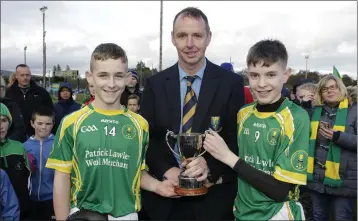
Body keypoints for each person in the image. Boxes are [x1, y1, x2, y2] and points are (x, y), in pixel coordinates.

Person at [45, 43, 177, 221]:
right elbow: (61, 178)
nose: (111, 84)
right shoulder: (71, 123)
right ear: (90, 78)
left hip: (128, 215)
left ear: (128, 78)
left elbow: (135, 173)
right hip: (82, 215)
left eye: (118, 76)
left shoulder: (140, 125)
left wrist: (157, 186)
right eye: (103, 75)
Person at [140, 7, 245, 220]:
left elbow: (236, 139)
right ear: (173, 38)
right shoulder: (154, 84)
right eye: (182, 35)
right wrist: (167, 169)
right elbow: (147, 138)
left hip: (213, 201)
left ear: (208, 38)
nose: (190, 44)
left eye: (197, 35)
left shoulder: (231, 83)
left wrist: (209, 168)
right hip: (165, 199)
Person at [203, 39, 310, 220]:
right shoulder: (244, 113)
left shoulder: (297, 117)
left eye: (270, 75)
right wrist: (214, 177)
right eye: (254, 75)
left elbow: (280, 191)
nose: (261, 84)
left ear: (285, 75)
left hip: (276, 214)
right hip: (242, 213)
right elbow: (245, 166)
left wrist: (227, 156)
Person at [307, 75, 357, 220]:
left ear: (340, 88)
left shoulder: (355, 110)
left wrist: (338, 137)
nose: (329, 91)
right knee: (318, 216)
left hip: (344, 179)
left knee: (342, 217)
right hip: (318, 178)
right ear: (320, 93)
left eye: (333, 87)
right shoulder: (316, 111)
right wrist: (302, 105)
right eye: (324, 89)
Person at [24, 107, 55, 220]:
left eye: (48, 123)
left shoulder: (58, 145)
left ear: (53, 124)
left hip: (53, 199)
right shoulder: (25, 147)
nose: (43, 127)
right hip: (31, 199)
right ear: (32, 123)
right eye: (40, 123)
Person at [0, 103, 31, 220]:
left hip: (22, 209)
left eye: (3, 120)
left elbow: (28, 178)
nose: (0, 125)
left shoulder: (19, 147)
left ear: (10, 122)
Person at [6, 64, 53, 137]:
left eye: (27, 75)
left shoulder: (42, 93)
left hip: (37, 135)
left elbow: (51, 112)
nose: (25, 78)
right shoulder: (8, 93)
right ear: (16, 76)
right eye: (22, 75)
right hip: (14, 136)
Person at [0, 76, 26, 142]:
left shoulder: (10, 104)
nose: (1, 89)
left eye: (2, 87)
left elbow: (19, 128)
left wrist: (7, 143)